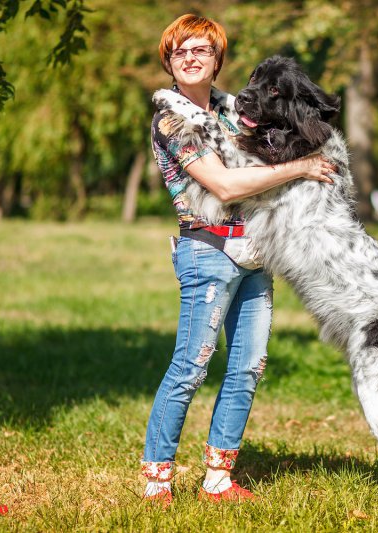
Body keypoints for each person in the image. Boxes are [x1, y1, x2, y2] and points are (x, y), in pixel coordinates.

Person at [141, 14, 335, 507]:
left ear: (217, 59)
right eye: (180, 50)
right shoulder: (172, 118)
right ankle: (157, 481)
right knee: (191, 365)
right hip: (207, 252)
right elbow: (224, 185)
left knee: (248, 366)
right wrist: (303, 167)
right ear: (168, 60)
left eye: (201, 50)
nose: (190, 58)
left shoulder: (236, 112)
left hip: (256, 251)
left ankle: (218, 479)